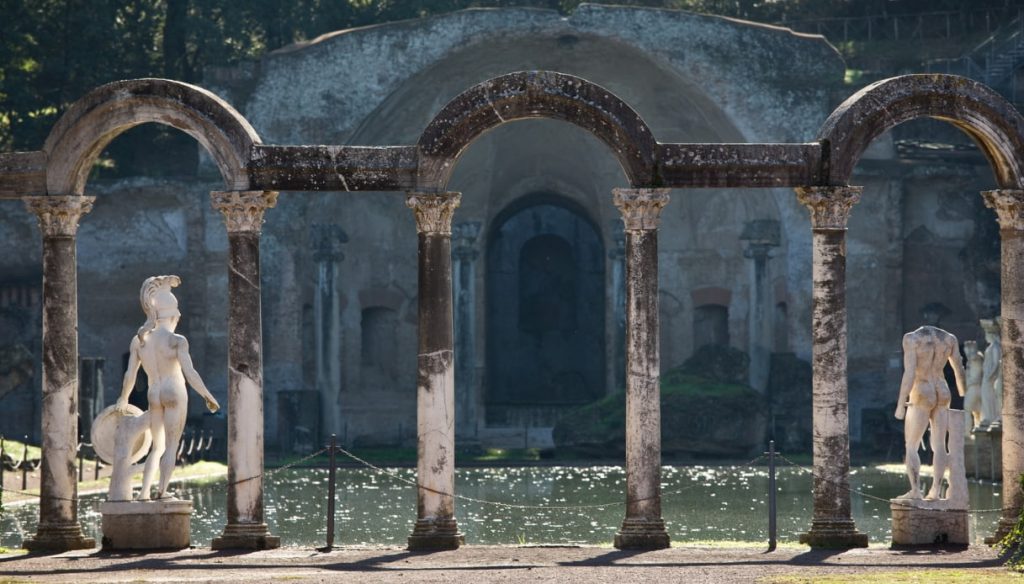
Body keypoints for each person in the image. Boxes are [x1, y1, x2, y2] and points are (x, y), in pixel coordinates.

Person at [115, 275, 220, 500]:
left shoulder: (140, 340)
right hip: (174, 391)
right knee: (171, 446)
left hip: (154, 392)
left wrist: (123, 398)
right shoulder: (177, 340)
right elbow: (190, 373)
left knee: (157, 447)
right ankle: (162, 492)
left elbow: (129, 375)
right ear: (173, 315)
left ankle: (143, 494)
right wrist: (207, 395)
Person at [894, 325, 966, 500]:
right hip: (942, 390)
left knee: (911, 444)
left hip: (922, 389)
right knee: (939, 445)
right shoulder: (949, 338)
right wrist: (963, 391)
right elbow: (959, 367)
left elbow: (910, 373)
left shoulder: (912, 338)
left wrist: (901, 403)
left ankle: (916, 491)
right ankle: (935, 491)